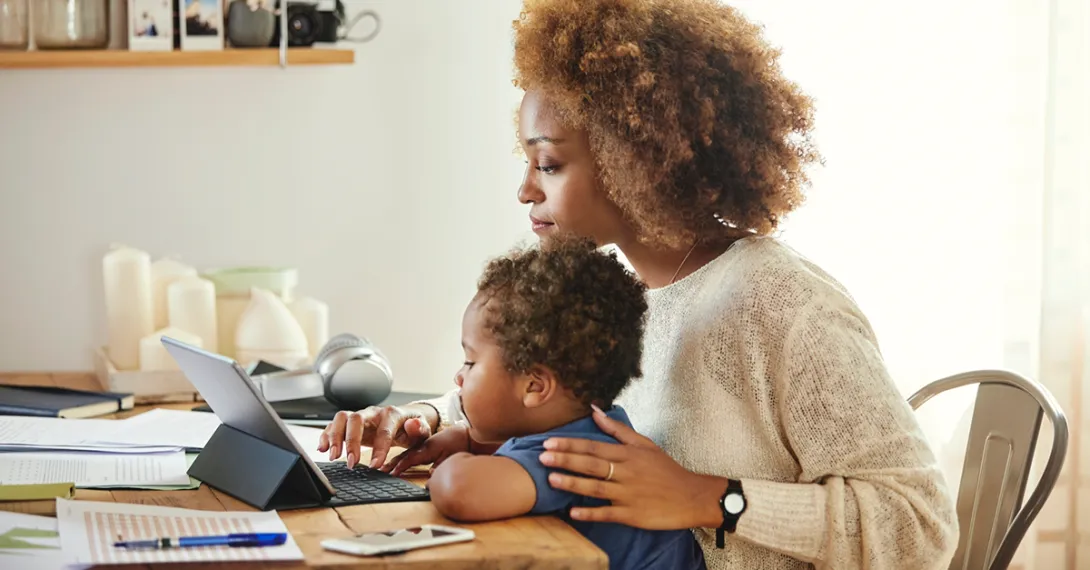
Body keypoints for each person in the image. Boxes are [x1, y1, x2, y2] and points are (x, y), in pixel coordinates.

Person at [318, 0, 960, 568]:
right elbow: (544, 395)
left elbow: (921, 525)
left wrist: (713, 499)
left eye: (548, 163)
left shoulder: (783, 304)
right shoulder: (615, 288)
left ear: (640, 157)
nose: (525, 189)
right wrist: (423, 417)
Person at [420, 235, 705, 570]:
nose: (459, 377)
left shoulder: (575, 456)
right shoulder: (599, 427)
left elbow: (460, 490)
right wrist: (466, 441)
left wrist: (449, 470)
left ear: (535, 386)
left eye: (470, 362)